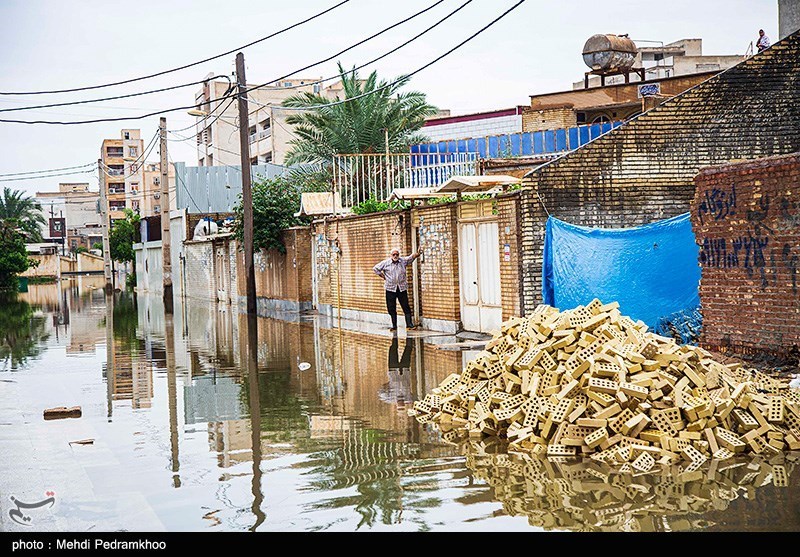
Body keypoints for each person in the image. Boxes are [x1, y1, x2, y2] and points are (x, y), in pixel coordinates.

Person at [373, 246, 422, 331]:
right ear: (391, 255)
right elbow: (375, 268)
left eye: (397, 254)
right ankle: (394, 326)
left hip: (401, 288)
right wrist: (383, 276)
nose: (395, 256)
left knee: (406, 306)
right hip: (390, 288)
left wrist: (417, 254)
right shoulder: (386, 263)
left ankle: (409, 324)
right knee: (391, 307)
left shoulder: (402, 261)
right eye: (394, 254)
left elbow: (411, 257)